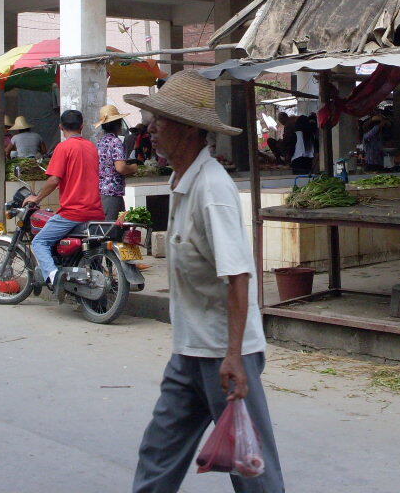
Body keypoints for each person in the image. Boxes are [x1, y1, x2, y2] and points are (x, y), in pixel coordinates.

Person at [124, 70, 283, 493]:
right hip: (190, 351)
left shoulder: (212, 188)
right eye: (152, 119)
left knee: (252, 467)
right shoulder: (181, 181)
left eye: (162, 121)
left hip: (225, 356)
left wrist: (233, 356)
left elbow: (238, 276)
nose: (151, 130)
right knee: (159, 452)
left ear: (193, 130)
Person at [22, 110, 104, 288]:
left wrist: (36, 198)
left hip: (72, 213)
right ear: (81, 126)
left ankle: (53, 276)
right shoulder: (91, 147)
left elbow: (54, 180)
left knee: (39, 242)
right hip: (96, 211)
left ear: (60, 127)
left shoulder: (63, 147)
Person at [95, 105, 138, 222]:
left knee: (106, 228)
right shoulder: (115, 142)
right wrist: (134, 168)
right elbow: (121, 168)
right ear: (118, 124)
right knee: (113, 231)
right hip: (112, 193)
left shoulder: (100, 142)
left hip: (101, 192)